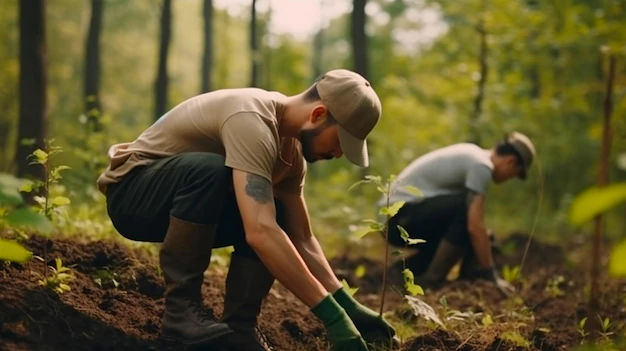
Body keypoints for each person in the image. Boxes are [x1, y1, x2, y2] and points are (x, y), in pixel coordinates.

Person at [96, 69, 396, 351]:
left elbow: (301, 238)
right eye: (341, 141)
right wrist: (330, 316)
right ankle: (180, 313)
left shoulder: (290, 155)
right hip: (133, 195)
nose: (339, 153)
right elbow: (260, 231)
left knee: (276, 212)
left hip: (181, 205)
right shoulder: (251, 117)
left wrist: (346, 306)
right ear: (318, 115)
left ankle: (240, 326)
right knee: (212, 173)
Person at [378, 132, 536, 296]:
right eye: (515, 174)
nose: (509, 178)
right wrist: (491, 274)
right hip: (397, 218)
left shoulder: (474, 154)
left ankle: (399, 274)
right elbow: (474, 226)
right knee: (465, 211)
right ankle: (431, 282)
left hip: (402, 217)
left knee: (467, 234)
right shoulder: (481, 166)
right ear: (511, 162)